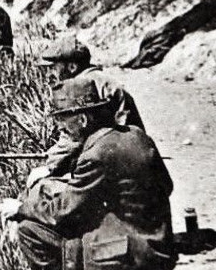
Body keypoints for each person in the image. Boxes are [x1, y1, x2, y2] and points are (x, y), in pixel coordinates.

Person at [0, 76, 178, 270]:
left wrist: (21, 207)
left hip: (133, 253)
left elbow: (65, 211)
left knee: (29, 230)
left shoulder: (97, 153)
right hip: (156, 241)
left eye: (63, 119)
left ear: (82, 119)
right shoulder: (134, 135)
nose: (60, 126)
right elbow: (167, 186)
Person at [30, 34, 144, 183]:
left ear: (72, 67)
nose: (51, 74)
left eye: (54, 68)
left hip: (108, 165)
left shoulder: (79, 88)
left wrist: (49, 167)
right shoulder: (106, 81)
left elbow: (73, 137)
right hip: (133, 157)